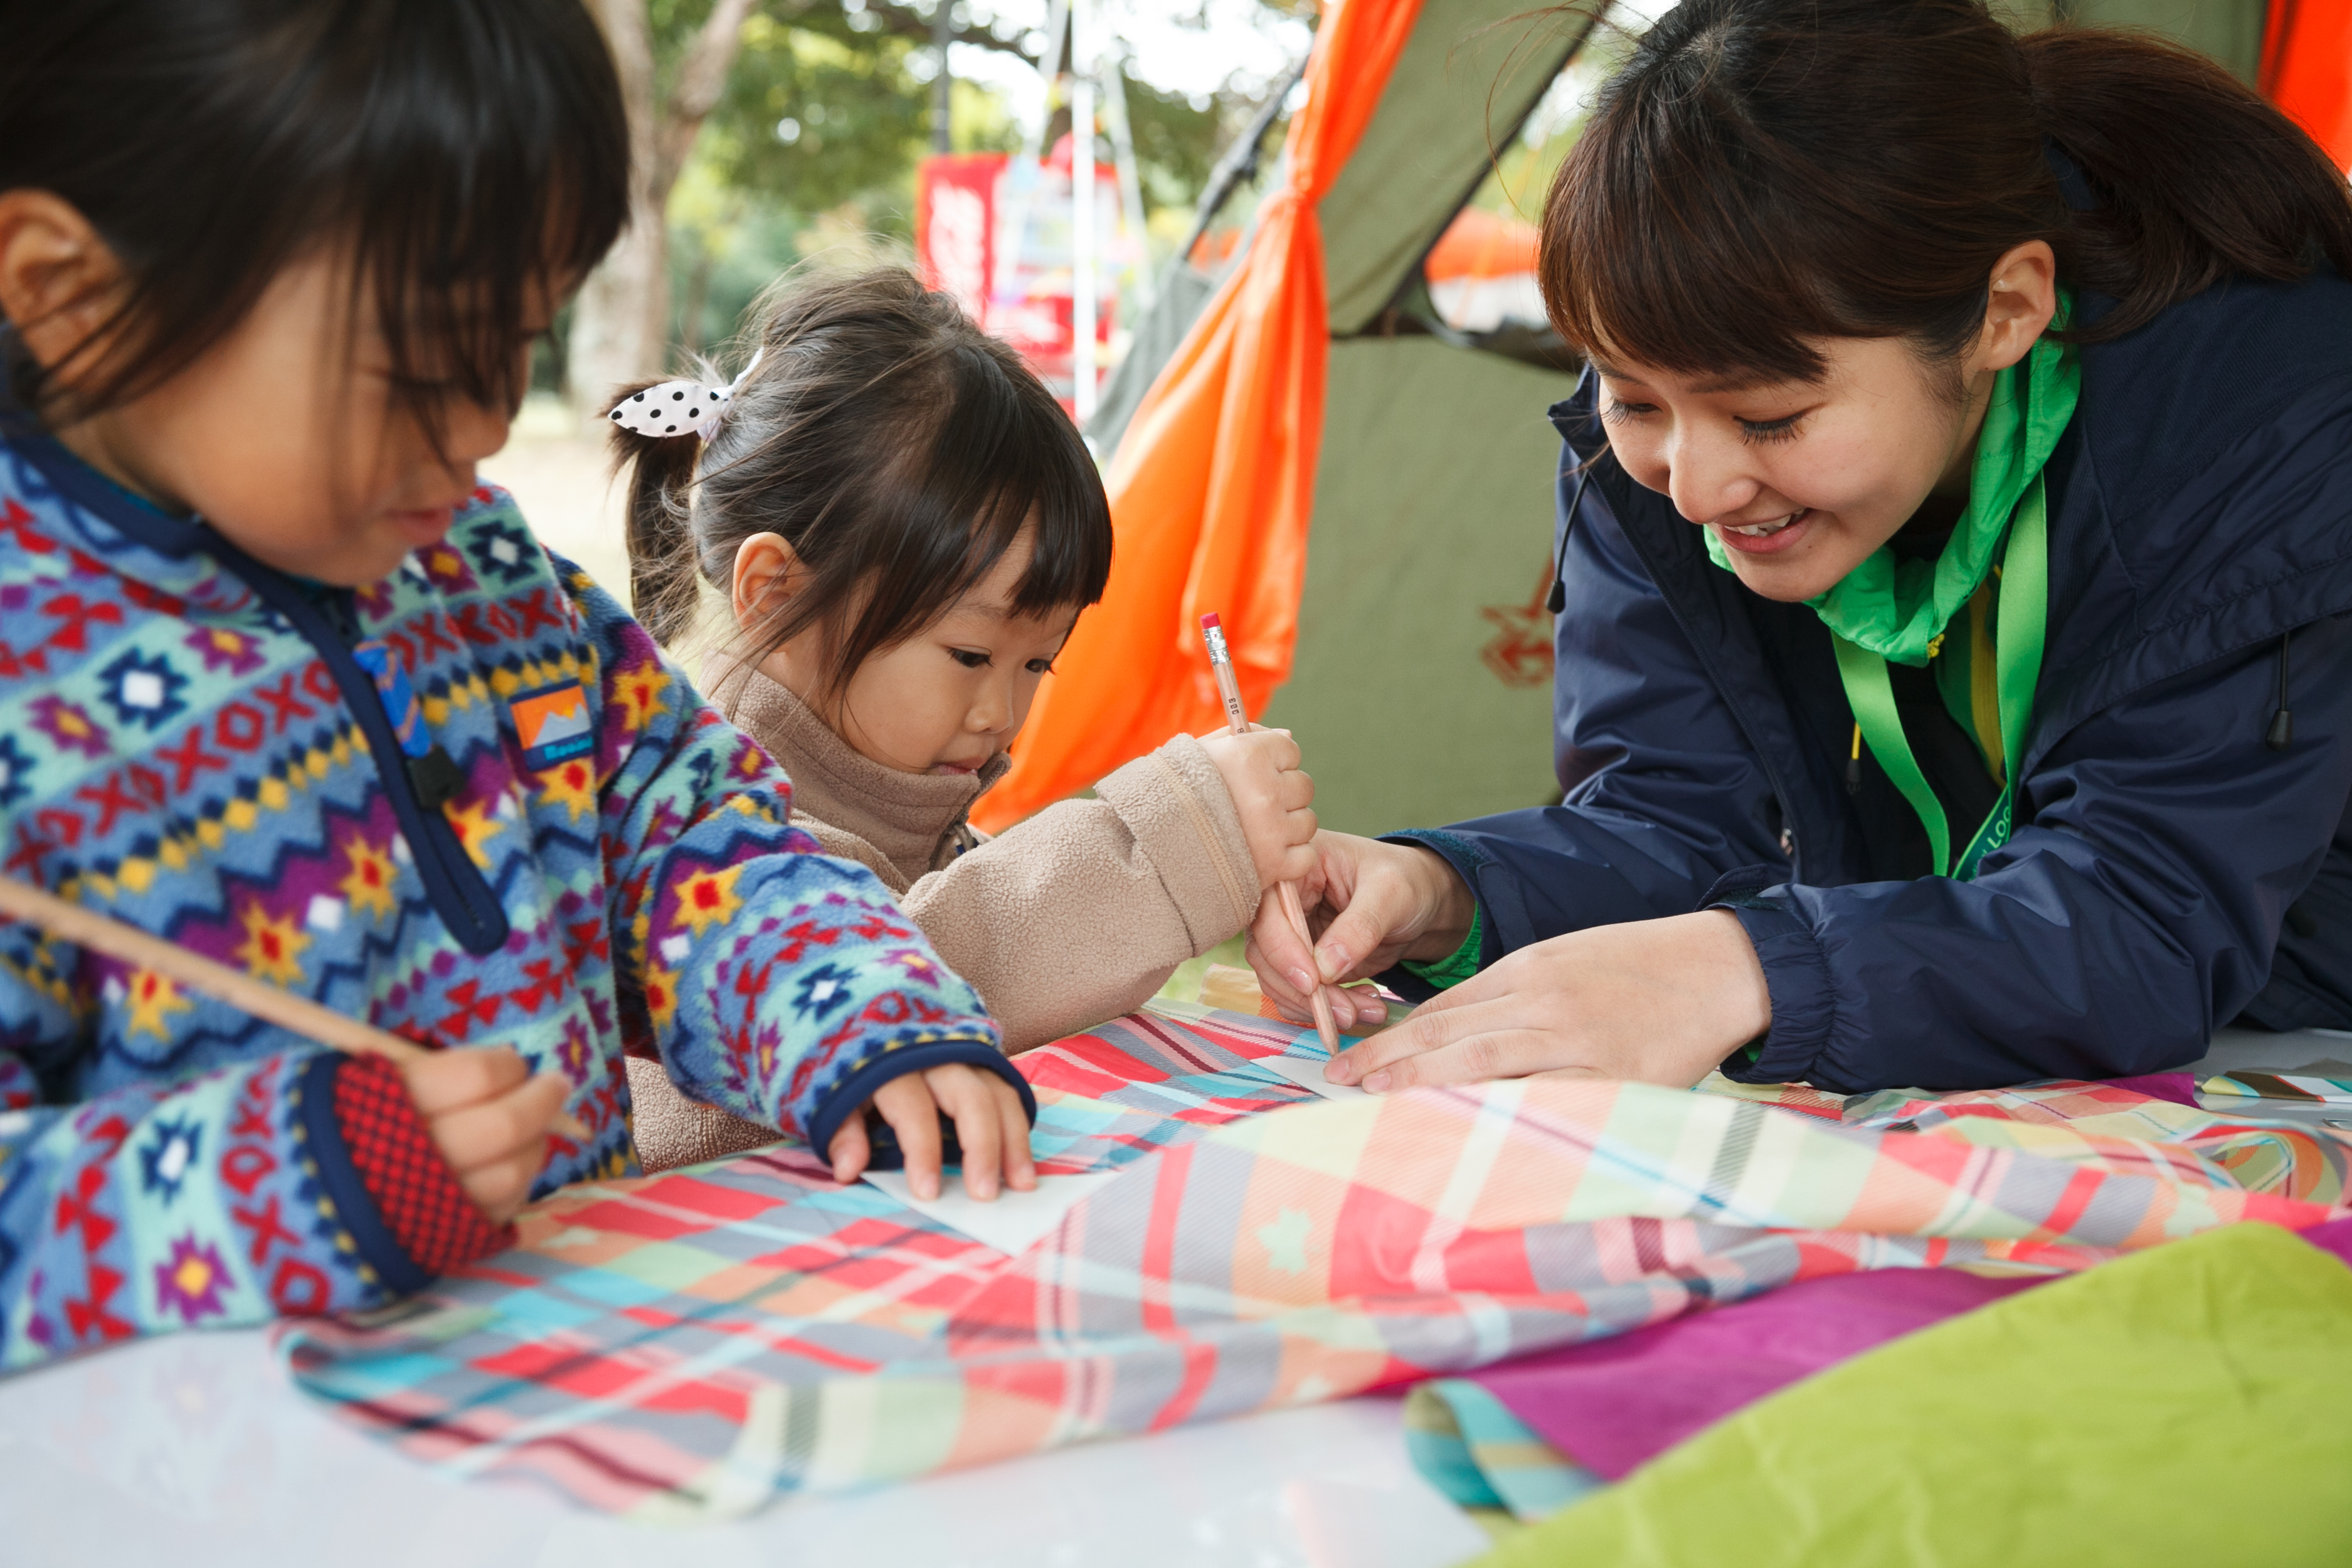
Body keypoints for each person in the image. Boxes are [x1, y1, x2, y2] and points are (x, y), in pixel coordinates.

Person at [0, 0, 1031, 1372]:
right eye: (423, 365)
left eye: (520, 343)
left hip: (561, 1387)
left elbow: (700, 838)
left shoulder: (485, 575)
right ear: (70, 290)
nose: (487, 422)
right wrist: (289, 1178)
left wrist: (866, 1017)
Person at [1249, 0, 2352, 1096]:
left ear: (2005, 312)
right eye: (1633, 402)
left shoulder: (2264, 430)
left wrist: (1748, 971)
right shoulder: (1663, 429)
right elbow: (1667, 816)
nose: (1693, 489)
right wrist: (1452, 889)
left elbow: (2145, 915)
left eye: (1769, 418)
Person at [615, 268, 1319, 1173]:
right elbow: (869, 983)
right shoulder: (698, 831)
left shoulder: (913, 805)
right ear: (776, 593)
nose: (1005, 712)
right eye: (970, 657)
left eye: (1039, 662)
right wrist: (1178, 843)